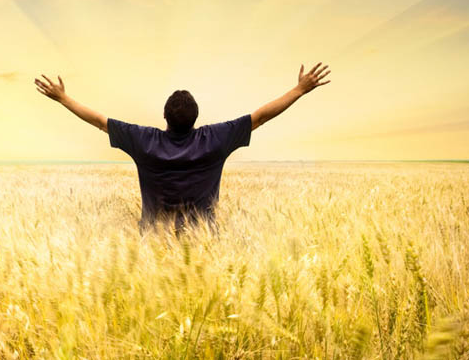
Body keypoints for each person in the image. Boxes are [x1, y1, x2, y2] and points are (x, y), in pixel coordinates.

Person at [34, 63, 331, 233]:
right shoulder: (215, 139)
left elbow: (99, 121)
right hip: (203, 242)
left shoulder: (144, 141)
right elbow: (261, 116)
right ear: (196, 119)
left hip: (153, 243)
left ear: (164, 117)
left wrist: (62, 98)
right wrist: (300, 89)